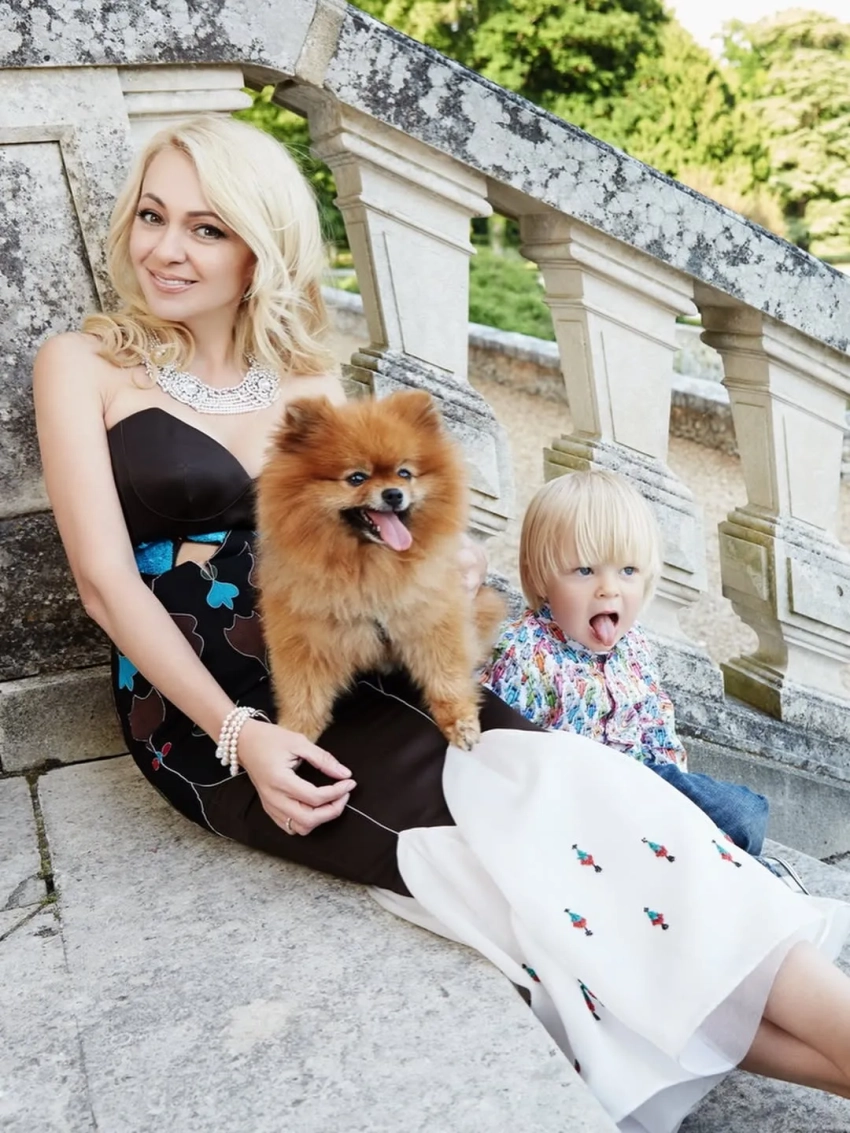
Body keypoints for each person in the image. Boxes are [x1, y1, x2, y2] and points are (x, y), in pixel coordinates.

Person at [32, 114, 850, 1132]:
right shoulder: (85, 364)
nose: (165, 248)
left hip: (359, 661)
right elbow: (106, 584)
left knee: (587, 796)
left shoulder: (307, 379)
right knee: (516, 876)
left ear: (259, 249)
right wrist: (241, 735)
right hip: (213, 710)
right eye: (152, 216)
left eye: (206, 228)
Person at [480, 470, 793, 876]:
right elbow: (499, 747)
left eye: (627, 571)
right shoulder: (525, 650)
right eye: (585, 570)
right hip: (579, 797)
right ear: (541, 577)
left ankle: (697, 853)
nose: (609, 589)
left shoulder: (635, 645)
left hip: (645, 782)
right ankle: (691, 856)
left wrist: (674, 788)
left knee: (744, 813)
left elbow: (655, 722)